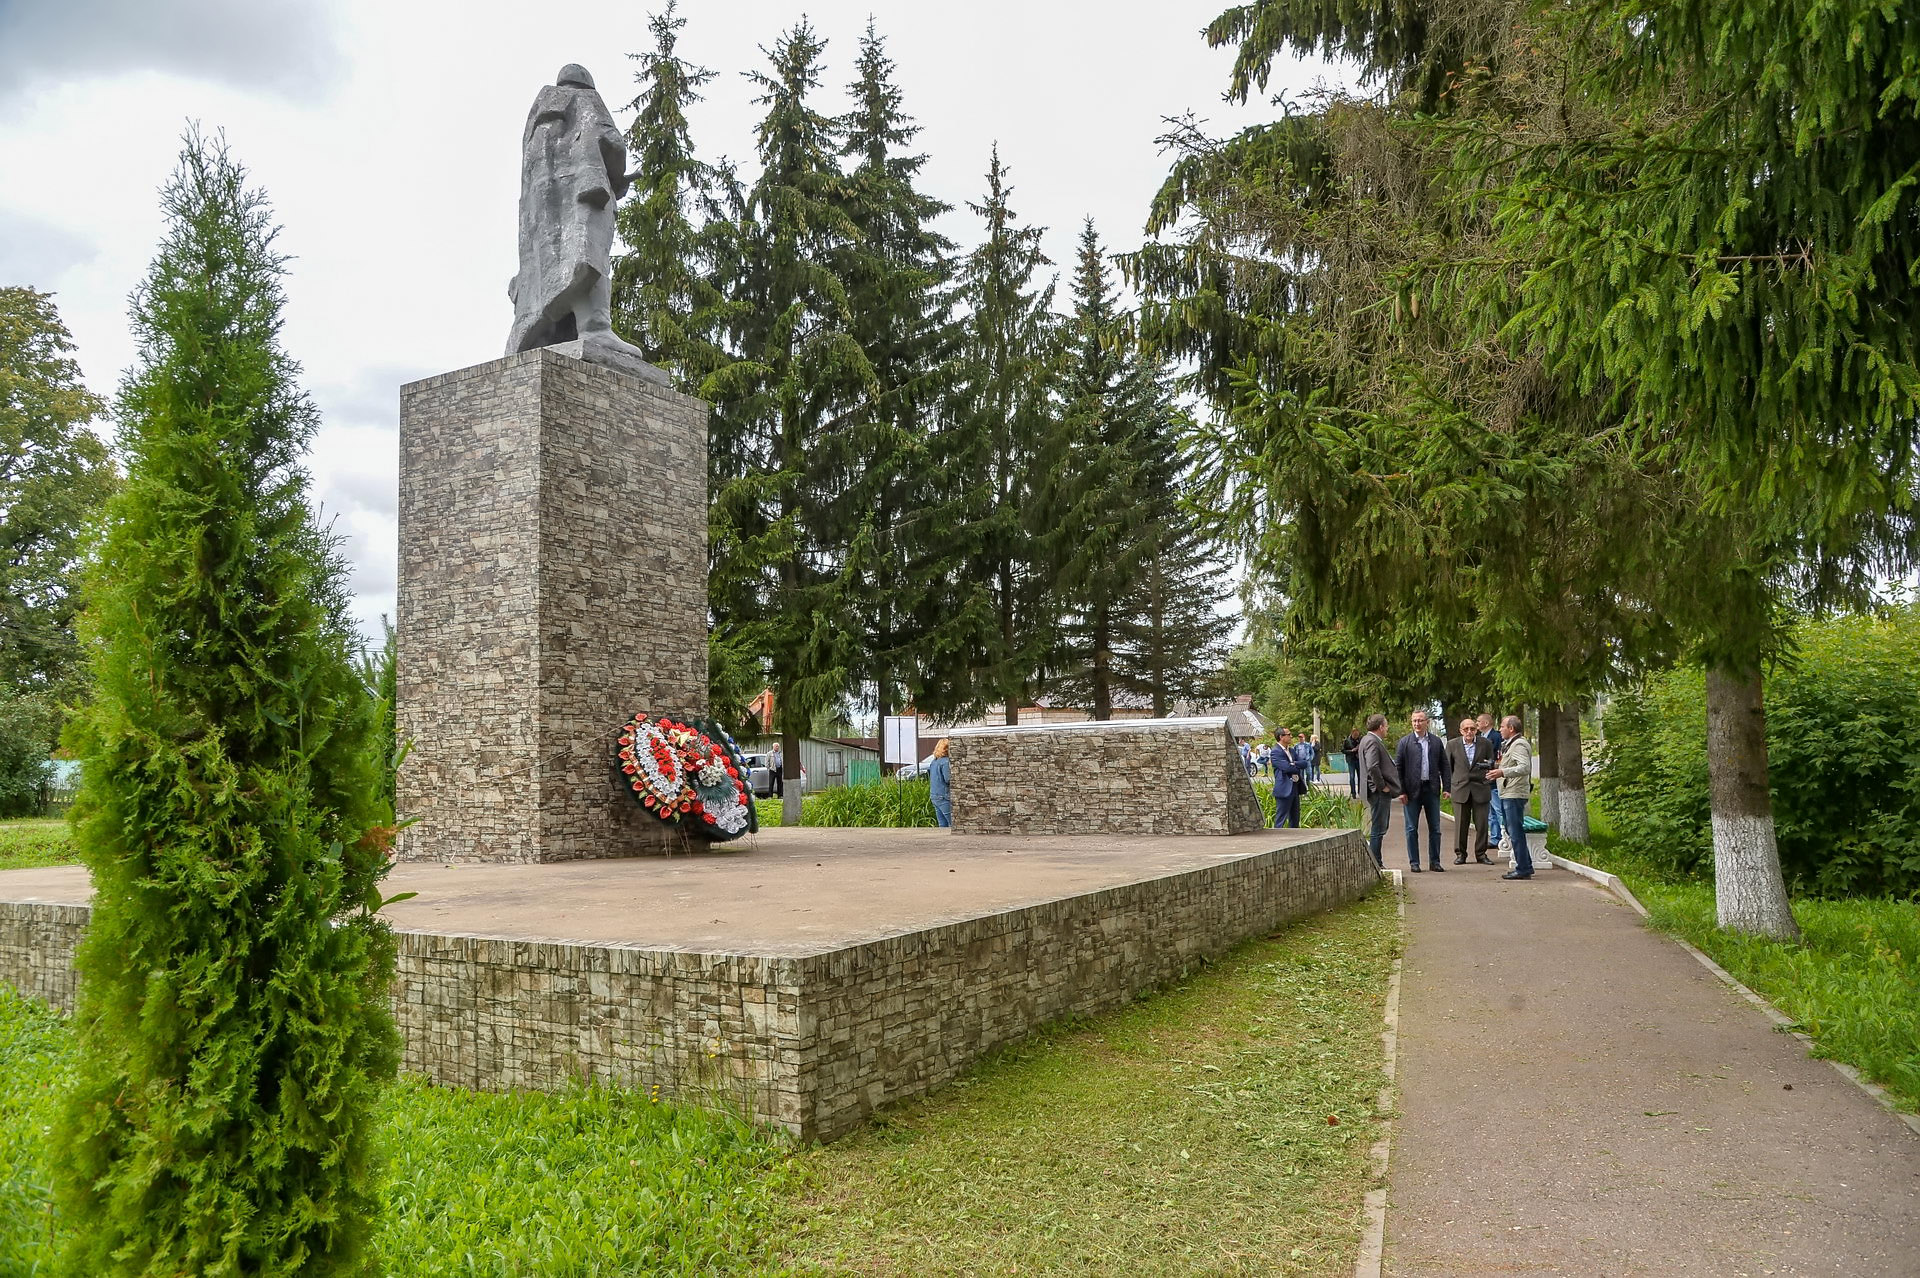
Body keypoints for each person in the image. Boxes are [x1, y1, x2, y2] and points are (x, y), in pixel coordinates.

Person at [1395, 710, 1452, 872]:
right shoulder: (1405, 742)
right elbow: (1398, 768)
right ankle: (1414, 862)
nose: (1417, 724)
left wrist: (1447, 787)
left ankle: (1435, 861)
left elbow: (1444, 765)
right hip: (1411, 791)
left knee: (1435, 828)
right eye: (1414, 721)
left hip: (1431, 789)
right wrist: (1401, 791)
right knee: (1411, 828)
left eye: (1420, 720)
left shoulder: (1435, 742)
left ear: (1427, 722)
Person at [1487, 714, 1535, 879]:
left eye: (1502, 726)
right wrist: (1496, 767)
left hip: (1514, 793)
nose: (1499, 729)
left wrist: (1502, 772)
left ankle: (1523, 869)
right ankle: (1526, 865)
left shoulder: (1519, 744)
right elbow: (1512, 764)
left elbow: (1524, 767)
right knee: (1511, 829)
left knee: (1515, 830)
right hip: (1509, 791)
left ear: (1511, 728)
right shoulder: (1511, 744)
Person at [1444, 717, 1497, 865]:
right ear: (1461, 731)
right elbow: (1448, 768)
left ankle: (1481, 854)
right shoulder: (1452, 745)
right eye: (1466, 729)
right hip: (1460, 789)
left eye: (1472, 729)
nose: (1469, 732)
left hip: (1480, 788)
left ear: (1476, 730)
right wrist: (1448, 788)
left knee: (1481, 824)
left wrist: (1486, 779)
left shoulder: (1485, 744)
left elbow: (1490, 764)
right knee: (1461, 825)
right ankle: (1460, 854)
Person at [1357, 713, 1400, 867]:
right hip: (1378, 792)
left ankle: (1376, 861)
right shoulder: (1372, 741)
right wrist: (1383, 787)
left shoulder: (1367, 740)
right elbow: (1373, 766)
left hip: (1374, 790)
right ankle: (1376, 862)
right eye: (1386, 725)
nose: (1387, 728)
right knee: (1378, 828)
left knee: (1379, 827)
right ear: (1381, 727)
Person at [1478, 712, 1505, 846]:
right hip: (1484, 780)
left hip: (1494, 779)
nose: (1477, 724)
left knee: (1498, 809)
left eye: (1478, 722)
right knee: (1490, 812)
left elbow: (1499, 756)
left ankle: (1505, 838)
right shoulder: (1480, 737)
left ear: (1486, 723)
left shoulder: (1496, 737)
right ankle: (1495, 838)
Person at [1272, 728, 1305, 828]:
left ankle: (1295, 840)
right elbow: (1287, 768)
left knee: (1295, 818)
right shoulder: (1275, 752)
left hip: (1295, 786)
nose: (1291, 736)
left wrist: (1293, 763)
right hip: (1284, 788)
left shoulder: (1291, 750)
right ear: (1281, 737)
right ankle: (1277, 840)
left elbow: (1304, 763)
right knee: (1281, 818)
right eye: (1288, 734)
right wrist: (1294, 765)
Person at [927, 738, 953, 828]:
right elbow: (948, 779)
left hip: (934, 795)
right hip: (944, 796)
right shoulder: (946, 762)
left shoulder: (934, 761)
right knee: (952, 824)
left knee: (942, 825)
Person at [1342, 729, 1363, 797]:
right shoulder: (1347, 741)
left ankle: (1360, 791)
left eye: (1357, 735)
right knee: (1352, 776)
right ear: (1352, 734)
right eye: (1355, 735)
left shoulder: (1360, 740)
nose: (1356, 737)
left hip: (1358, 759)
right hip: (1351, 760)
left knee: (1360, 776)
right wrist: (1351, 751)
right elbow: (1343, 750)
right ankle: (1353, 792)